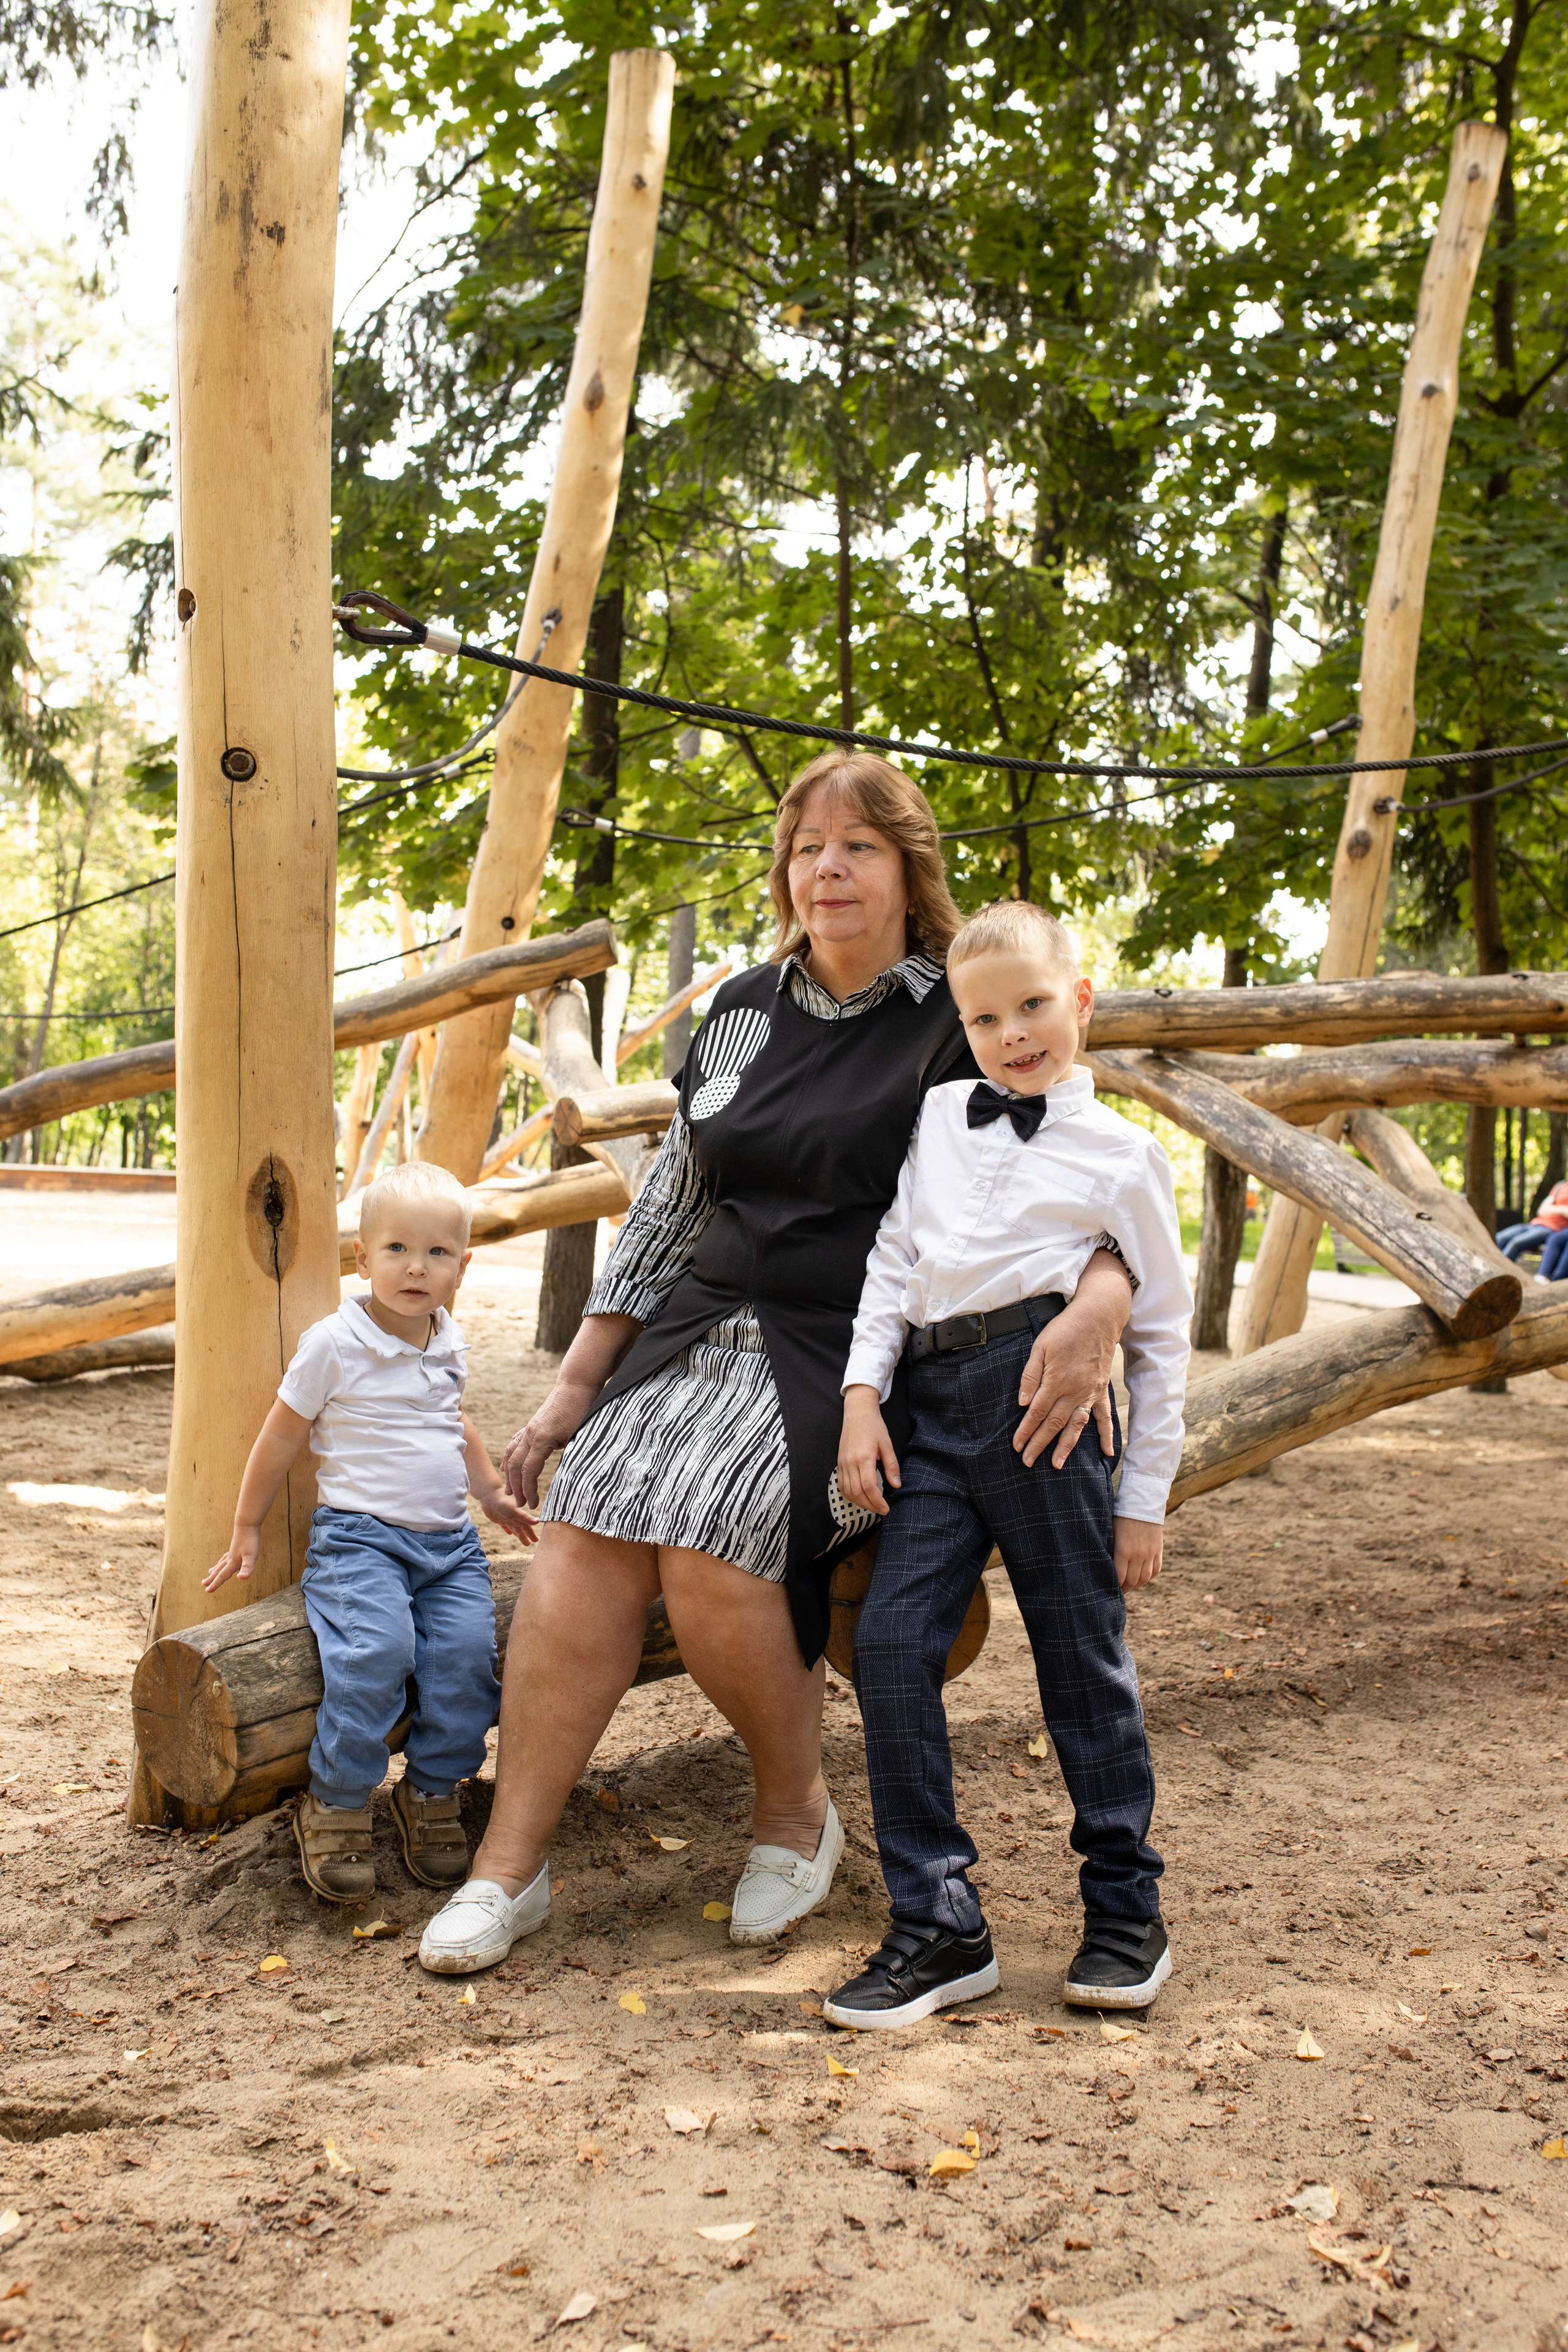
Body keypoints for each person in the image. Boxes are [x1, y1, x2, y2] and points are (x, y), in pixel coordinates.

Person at [417, 755, 1134, 1975]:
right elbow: (671, 1211)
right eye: (807, 848)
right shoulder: (744, 1008)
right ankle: (508, 1864)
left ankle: (794, 1815)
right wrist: (575, 1388)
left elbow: (1079, 1165)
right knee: (584, 1521)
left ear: (908, 866)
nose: (827, 869)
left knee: (711, 1531)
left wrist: (1105, 1297)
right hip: (701, 1325)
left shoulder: (959, 1011)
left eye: (857, 846)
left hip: (858, 1349)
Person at [825, 901, 1191, 2030]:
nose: (1012, 1034)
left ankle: (1125, 1910)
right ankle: (939, 1923)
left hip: (1046, 1412)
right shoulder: (943, 1114)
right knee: (891, 1645)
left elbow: (1162, 1335)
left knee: (1080, 1659)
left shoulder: (1124, 1155)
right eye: (985, 1020)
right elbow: (894, 1258)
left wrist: (1144, 1502)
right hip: (930, 1409)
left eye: (1033, 1006)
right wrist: (861, 1398)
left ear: (1080, 1000)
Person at [204, 1161, 536, 1904]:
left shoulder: (447, 1337)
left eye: (437, 1252)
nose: (416, 1267)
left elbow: (453, 1421)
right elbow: (281, 1435)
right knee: (375, 1654)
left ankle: (432, 1790)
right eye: (397, 1249)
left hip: (449, 1547)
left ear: (461, 1268)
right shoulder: (334, 1342)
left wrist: (489, 1493)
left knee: (466, 1661)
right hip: (362, 1543)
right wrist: (246, 1525)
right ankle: (338, 1799)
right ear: (362, 1257)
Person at [1496, 1178, 1568, 1282]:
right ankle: (1494, 1265)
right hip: (1534, 1224)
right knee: (1499, 1238)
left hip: (1552, 1229)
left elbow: (1549, 1209)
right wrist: (1563, 1210)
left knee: (1516, 1243)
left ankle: (1498, 1273)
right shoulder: (1561, 1186)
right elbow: (1542, 1210)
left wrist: (1553, 1208)